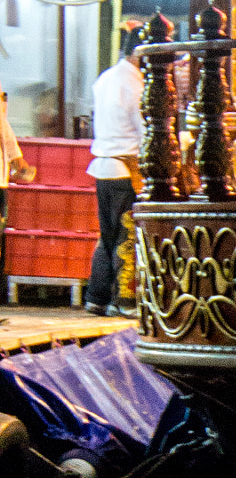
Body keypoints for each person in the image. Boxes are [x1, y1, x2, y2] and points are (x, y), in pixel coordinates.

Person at [86, 19, 145, 316]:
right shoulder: (136, 85)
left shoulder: (106, 78)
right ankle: (123, 301)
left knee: (106, 236)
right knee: (126, 236)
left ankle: (96, 297)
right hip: (125, 169)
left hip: (102, 169)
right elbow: (146, 131)